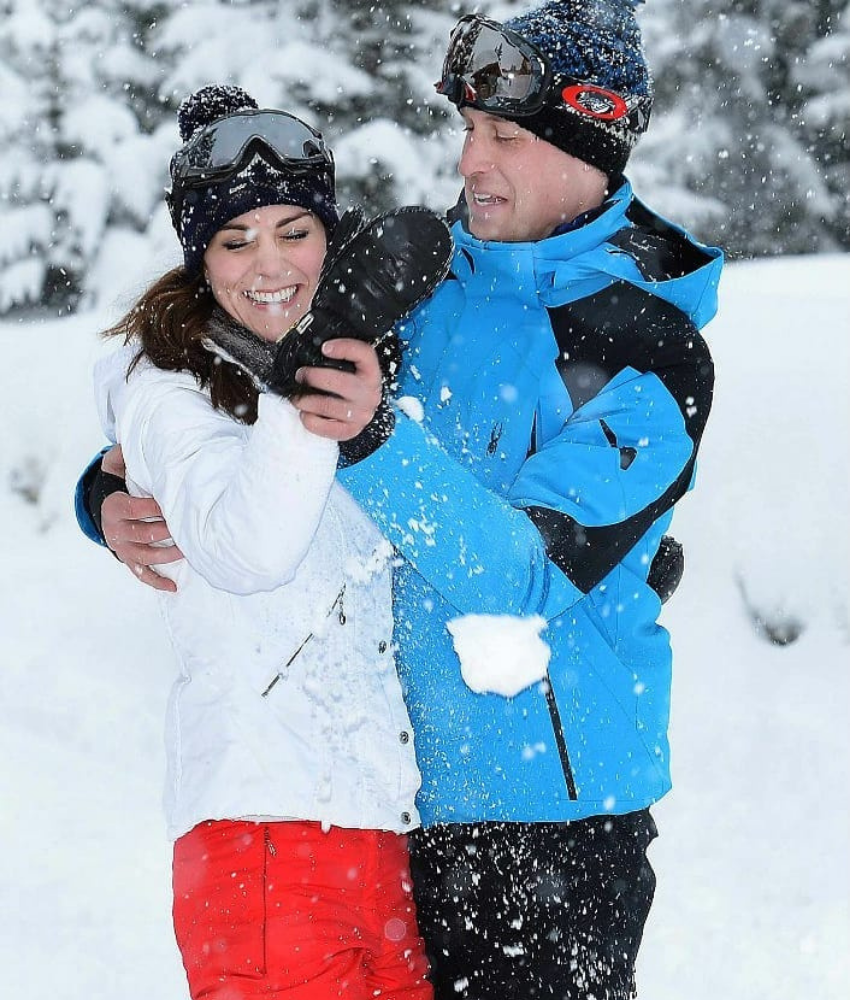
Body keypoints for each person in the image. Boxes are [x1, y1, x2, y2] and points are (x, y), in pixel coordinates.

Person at [78, 3, 724, 998]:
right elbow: (237, 359)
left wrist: (369, 437)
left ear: (591, 140)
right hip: (394, 810)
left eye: (504, 135)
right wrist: (112, 485)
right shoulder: (422, 278)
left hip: (551, 828)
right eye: (466, 129)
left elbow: (520, 573)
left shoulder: (651, 353)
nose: (470, 161)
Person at [85, 83, 445, 1000]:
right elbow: (249, 551)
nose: (268, 265)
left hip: (376, 829)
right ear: (198, 263)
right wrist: (313, 368)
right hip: (261, 840)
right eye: (233, 242)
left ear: (331, 233)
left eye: (294, 231)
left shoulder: (366, 362)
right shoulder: (169, 395)